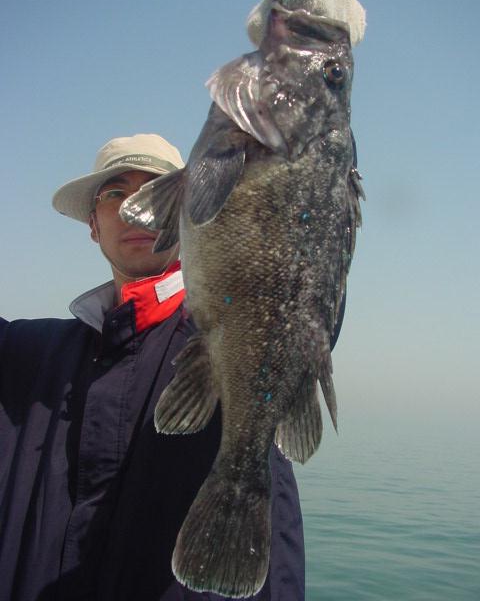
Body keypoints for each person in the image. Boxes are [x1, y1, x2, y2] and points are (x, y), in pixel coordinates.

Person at [0, 134, 305, 601]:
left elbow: (300, 268)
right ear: (93, 225)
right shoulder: (26, 352)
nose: (133, 208)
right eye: (115, 193)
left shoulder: (241, 333)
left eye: (155, 191)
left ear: (191, 215)